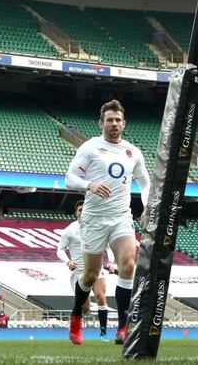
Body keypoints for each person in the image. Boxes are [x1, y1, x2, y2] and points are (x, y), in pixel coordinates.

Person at [64, 100, 150, 345]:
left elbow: (145, 184)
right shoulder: (90, 147)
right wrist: (88, 184)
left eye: (118, 120)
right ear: (101, 123)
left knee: (129, 264)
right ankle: (75, 316)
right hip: (93, 219)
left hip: (122, 217)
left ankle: (123, 327)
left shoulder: (133, 152)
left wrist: (146, 207)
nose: (114, 124)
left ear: (124, 123)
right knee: (90, 275)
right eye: (109, 120)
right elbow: (70, 177)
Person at [57, 200, 116, 342]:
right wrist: (68, 262)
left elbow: (108, 247)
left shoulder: (98, 227)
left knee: (101, 296)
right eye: (79, 210)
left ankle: (103, 334)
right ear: (76, 212)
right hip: (79, 272)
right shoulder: (70, 230)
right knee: (84, 306)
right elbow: (59, 250)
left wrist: (111, 262)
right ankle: (78, 324)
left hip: (96, 268)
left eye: (85, 209)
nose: (82, 212)